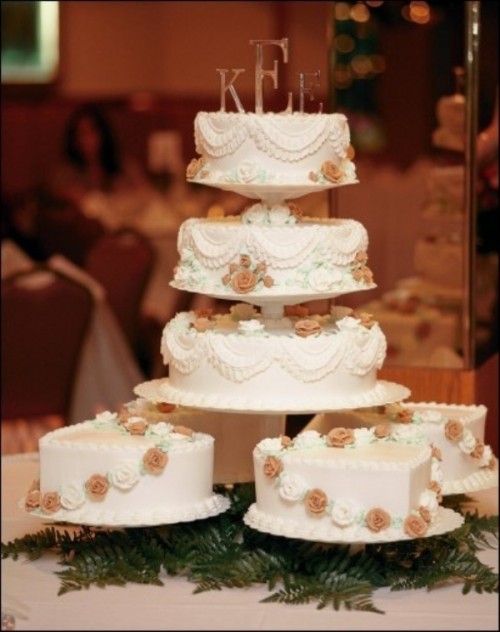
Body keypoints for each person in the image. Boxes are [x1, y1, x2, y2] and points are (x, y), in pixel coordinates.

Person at [49, 103, 151, 208]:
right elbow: (56, 196)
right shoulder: (66, 173)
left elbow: (146, 194)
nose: (86, 139)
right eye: (81, 133)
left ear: (103, 134)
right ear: (73, 140)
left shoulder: (125, 165)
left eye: (91, 132)